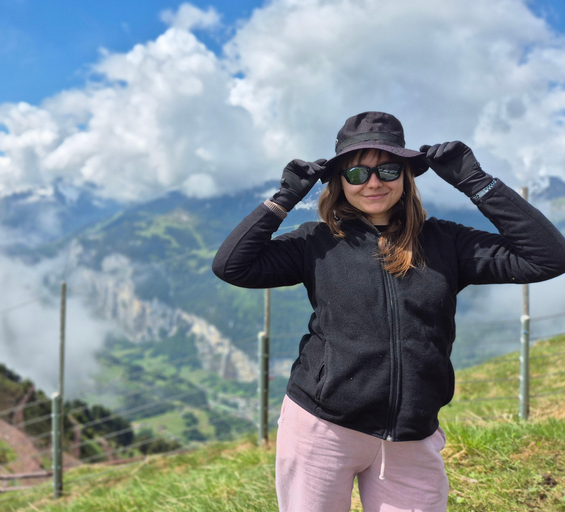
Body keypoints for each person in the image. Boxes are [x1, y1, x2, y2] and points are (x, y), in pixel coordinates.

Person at [211, 111, 565, 512]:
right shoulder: (316, 242)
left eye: (388, 170)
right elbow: (231, 266)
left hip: (410, 436)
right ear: (339, 182)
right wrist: (283, 198)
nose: (373, 182)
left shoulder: (447, 241)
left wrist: (477, 183)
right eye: (357, 173)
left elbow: (548, 258)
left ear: (406, 176)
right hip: (321, 429)